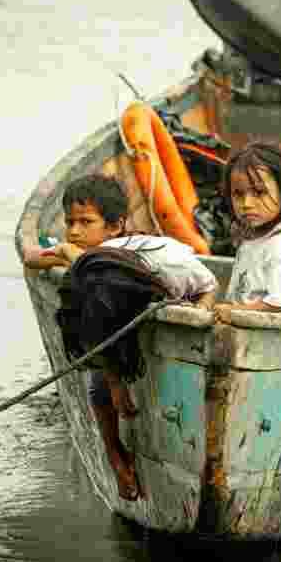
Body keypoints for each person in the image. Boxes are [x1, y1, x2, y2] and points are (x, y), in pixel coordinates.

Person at [22, 174, 217, 501]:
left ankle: (115, 383)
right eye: (70, 222)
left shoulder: (157, 254)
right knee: (92, 332)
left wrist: (201, 313)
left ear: (115, 227)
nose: (74, 231)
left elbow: (208, 284)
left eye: (86, 222)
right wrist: (58, 253)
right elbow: (33, 259)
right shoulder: (81, 254)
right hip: (110, 336)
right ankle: (114, 450)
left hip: (150, 315)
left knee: (95, 296)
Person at [213, 142, 281, 323]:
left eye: (259, 192)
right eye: (238, 194)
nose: (246, 203)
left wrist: (234, 311)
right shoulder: (251, 238)